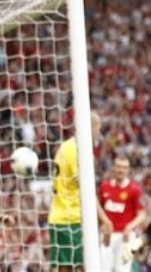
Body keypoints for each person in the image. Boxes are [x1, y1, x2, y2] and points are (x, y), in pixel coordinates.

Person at [48, 111, 113, 271]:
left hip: (61, 216)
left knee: (68, 267)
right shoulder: (76, 151)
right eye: (98, 128)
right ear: (90, 127)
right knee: (85, 265)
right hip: (71, 218)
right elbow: (86, 190)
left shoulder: (67, 146)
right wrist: (104, 219)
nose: (99, 133)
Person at [98, 155, 147, 272]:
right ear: (113, 168)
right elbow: (98, 209)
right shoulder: (104, 187)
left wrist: (130, 227)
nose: (121, 170)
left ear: (128, 170)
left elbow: (142, 214)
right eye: (118, 167)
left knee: (123, 269)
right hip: (107, 235)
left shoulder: (134, 190)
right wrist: (101, 225)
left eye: (124, 167)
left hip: (125, 236)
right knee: (102, 268)